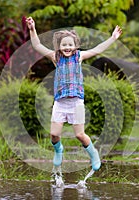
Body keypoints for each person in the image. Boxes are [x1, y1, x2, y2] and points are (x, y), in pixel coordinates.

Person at [26, 17, 122, 171]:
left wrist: (112, 38)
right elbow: (37, 45)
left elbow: (98, 49)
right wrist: (32, 29)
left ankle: (93, 154)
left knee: (80, 135)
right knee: (54, 135)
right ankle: (59, 150)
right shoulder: (55, 57)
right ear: (59, 46)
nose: (67, 47)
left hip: (76, 102)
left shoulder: (79, 56)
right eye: (64, 45)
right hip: (60, 102)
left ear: (75, 45)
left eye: (70, 44)